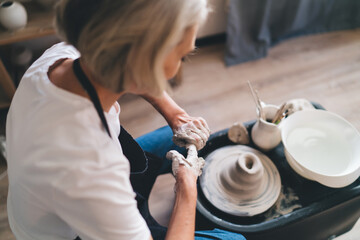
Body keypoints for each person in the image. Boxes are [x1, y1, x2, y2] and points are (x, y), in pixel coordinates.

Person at [6, 0, 246, 239]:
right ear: (147, 63)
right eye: (182, 56)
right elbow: (89, 170)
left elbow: (125, 66)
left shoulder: (63, 56)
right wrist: (187, 187)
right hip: (71, 231)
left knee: (176, 138)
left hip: (69, 190)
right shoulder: (87, 166)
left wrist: (176, 115)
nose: (180, 64)